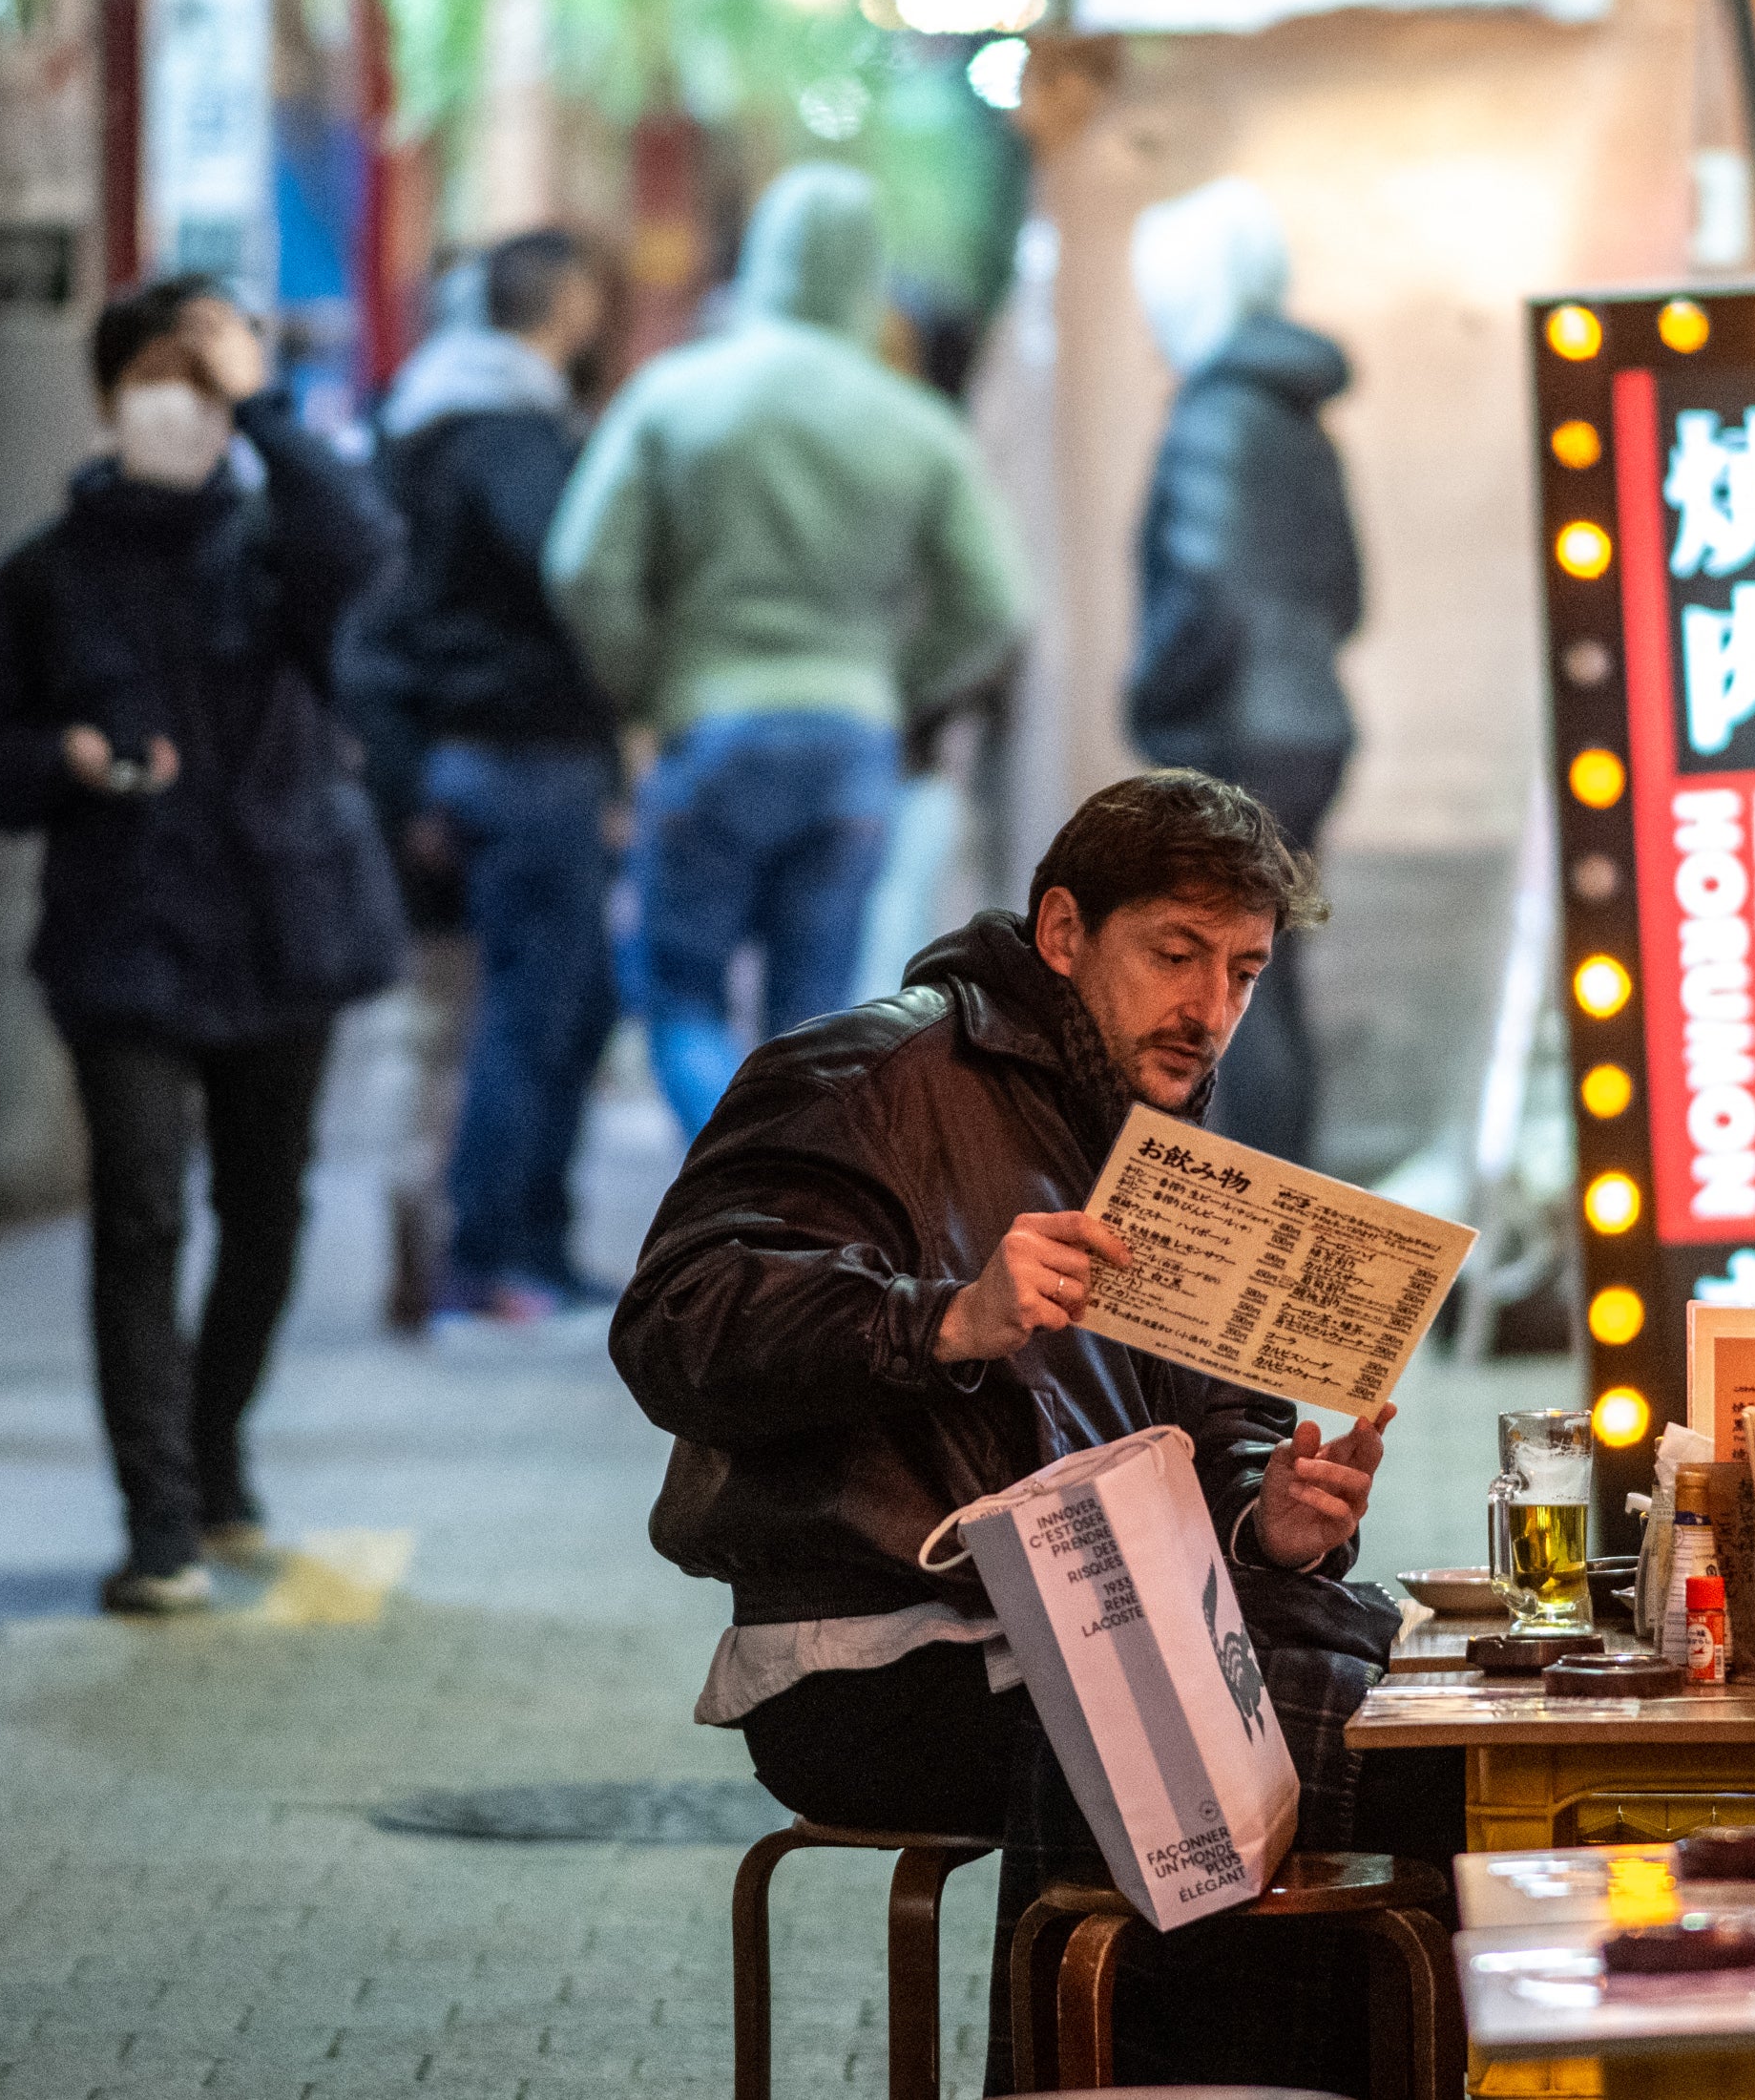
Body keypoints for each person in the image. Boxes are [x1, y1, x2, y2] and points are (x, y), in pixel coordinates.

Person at [611, 768, 1452, 2090]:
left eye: (1240, 972)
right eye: (1174, 957)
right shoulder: (868, 1072)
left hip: (1105, 1619)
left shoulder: (1156, 1123)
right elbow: (674, 1326)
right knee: (1326, 1739)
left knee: (1421, 1726)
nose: (1208, 1011)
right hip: (884, 1654)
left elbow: (1221, 1417)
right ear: (1063, 935)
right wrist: (942, 1318)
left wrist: (1268, 1516)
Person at [0, 276, 407, 1614]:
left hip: (285, 933)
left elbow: (364, 542)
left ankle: (210, 1449)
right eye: (156, 378)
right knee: (138, 1216)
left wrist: (260, 399)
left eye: (202, 383)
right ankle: (155, 1519)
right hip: (125, 939)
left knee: (265, 1220)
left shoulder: (277, 549)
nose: (177, 406)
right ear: (105, 397)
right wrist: (60, 758)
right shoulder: (43, 575)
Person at [547, 163, 1029, 1134]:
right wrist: (891, 685)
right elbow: (996, 606)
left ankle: (737, 1191)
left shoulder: (675, 396)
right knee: (815, 1022)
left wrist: (650, 681)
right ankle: (788, 1215)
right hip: (853, 739)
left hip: (710, 724)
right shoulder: (917, 425)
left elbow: (581, 565)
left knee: (678, 996)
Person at [370, 228, 622, 1321]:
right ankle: (501, 1250)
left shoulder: (408, 422)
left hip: (447, 757)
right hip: (526, 757)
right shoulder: (512, 438)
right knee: (540, 1009)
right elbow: (571, 569)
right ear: (565, 306)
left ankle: (478, 1239)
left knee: (492, 1010)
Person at [1120, 178, 1362, 1164]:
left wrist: (1150, 700)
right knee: (1268, 982)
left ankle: (1250, 1238)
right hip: (1310, 726)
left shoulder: (1213, 412)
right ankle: (1286, 1221)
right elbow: (1349, 596)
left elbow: (1205, 591)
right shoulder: (1299, 419)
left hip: (1235, 732)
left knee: (1222, 996)